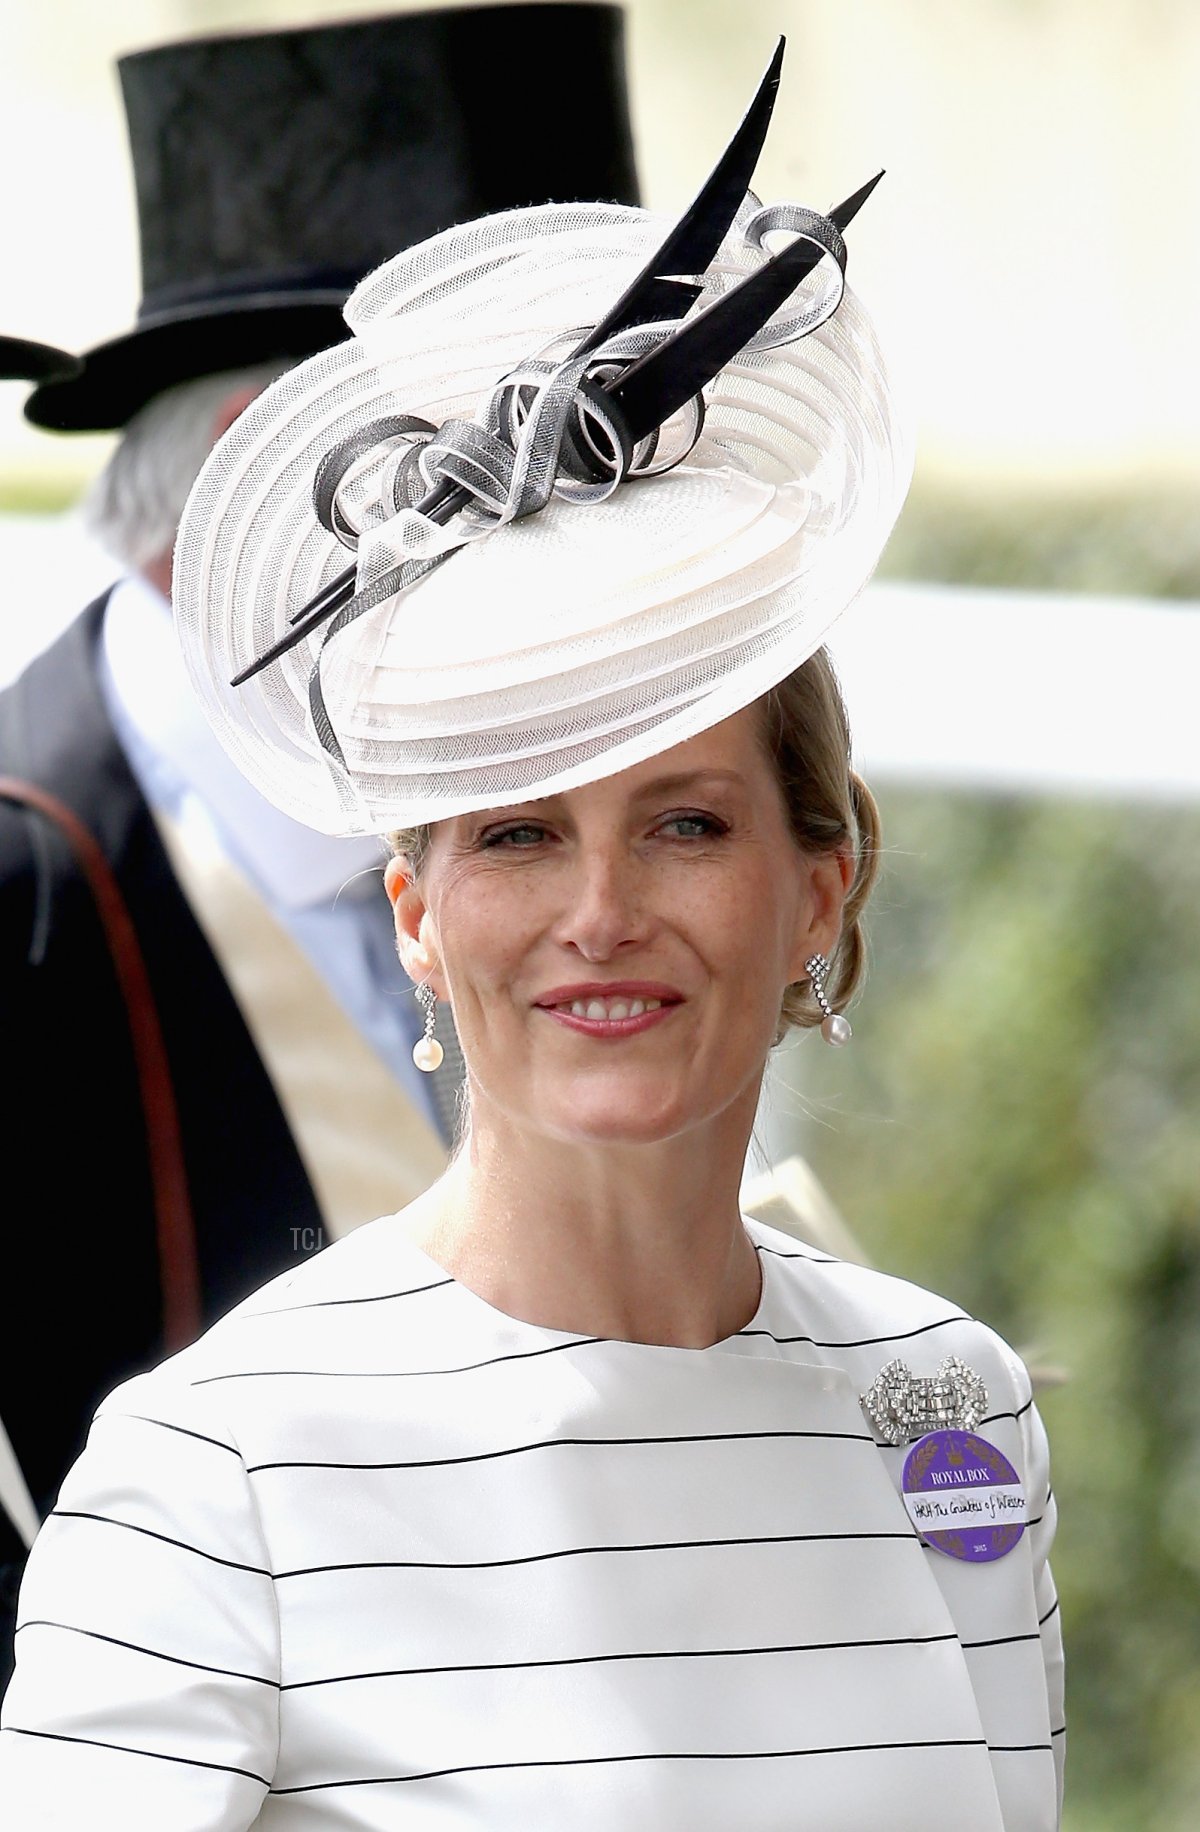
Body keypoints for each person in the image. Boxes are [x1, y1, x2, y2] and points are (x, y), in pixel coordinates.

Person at [0, 50, 1065, 1829]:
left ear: (821, 885)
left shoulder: (953, 1410)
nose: (600, 913)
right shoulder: (212, 1479)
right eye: (513, 830)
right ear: (416, 910)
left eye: (689, 821)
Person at [0, 3, 641, 1692]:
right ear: (264, 478)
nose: (615, 524)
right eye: (535, 453)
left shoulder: (606, 821)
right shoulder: (21, 897)